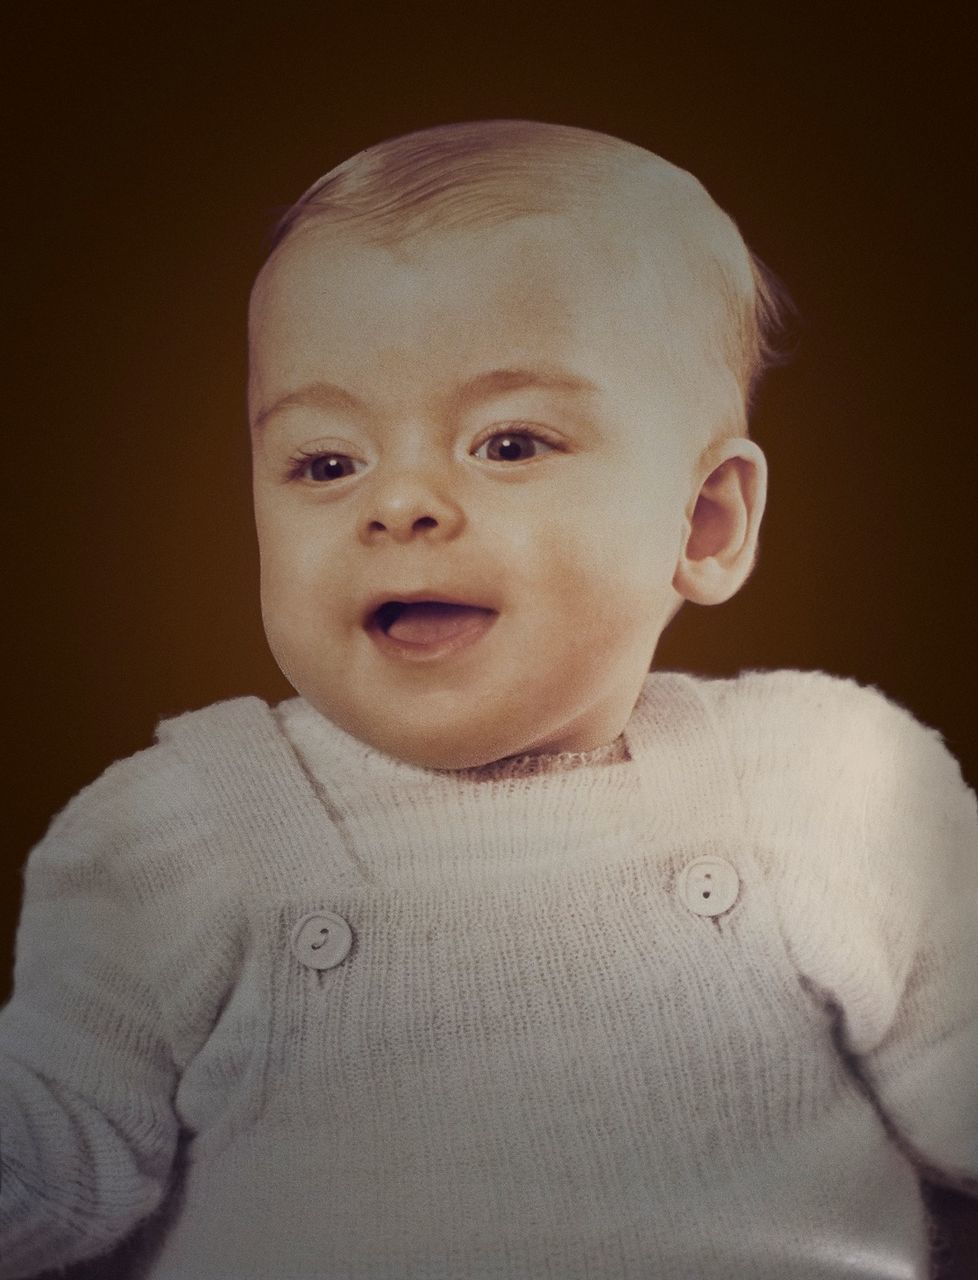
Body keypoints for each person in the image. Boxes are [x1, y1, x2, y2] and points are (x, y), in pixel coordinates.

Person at [1, 120, 975, 1280]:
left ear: (705, 522)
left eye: (509, 441)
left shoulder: (828, 780)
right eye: (325, 462)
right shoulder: (181, 829)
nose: (400, 501)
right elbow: (47, 1172)